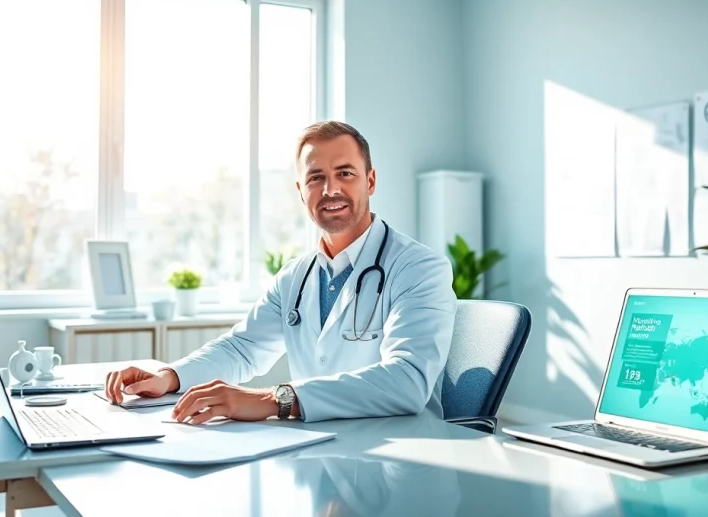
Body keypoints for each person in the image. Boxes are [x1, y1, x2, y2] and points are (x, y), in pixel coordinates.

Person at [105, 121, 457, 423]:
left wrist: (275, 399)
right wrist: (168, 377)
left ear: (371, 181)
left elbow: (408, 381)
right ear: (301, 192)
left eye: (345, 174)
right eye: (316, 177)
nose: (330, 189)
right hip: (321, 446)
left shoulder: (419, 268)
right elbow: (243, 348)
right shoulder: (296, 276)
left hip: (402, 453)